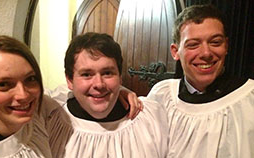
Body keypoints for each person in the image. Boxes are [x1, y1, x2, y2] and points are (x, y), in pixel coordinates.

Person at [146, 4, 254, 158]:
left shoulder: (249, 98)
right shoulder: (162, 97)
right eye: (193, 45)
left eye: (215, 42)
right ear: (176, 52)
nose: (206, 53)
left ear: (227, 46)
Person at [46, 32, 168, 158]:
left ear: (120, 77)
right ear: (70, 80)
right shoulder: (50, 121)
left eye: (107, 73)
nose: (99, 84)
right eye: (87, 74)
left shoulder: (150, 119)